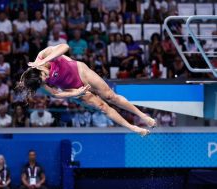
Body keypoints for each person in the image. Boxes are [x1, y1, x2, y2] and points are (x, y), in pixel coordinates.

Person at [18, 44, 156, 135]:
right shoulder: (38, 82)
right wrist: (76, 93)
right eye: (44, 80)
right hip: (72, 88)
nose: (46, 78)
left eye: (44, 75)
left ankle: (143, 116)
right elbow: (55, 93)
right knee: (102, 107)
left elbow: (65, 46)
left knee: (110, 97)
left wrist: (44, 60)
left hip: (80, 71)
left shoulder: (43, 55)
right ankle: (133, 128)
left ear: (38, 70)